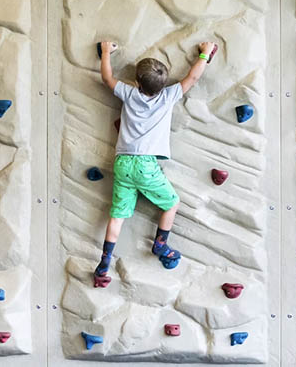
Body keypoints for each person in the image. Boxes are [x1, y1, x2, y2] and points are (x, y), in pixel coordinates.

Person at [92, 40, 216, 288]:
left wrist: (106, 52)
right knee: (171, 203)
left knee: (117, 216)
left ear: (137, 82)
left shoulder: (128, 93)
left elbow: (107, 78)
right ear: (163, 82)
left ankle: (103, 264)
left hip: (123, 163)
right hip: (145, 166)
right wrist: (204, 53)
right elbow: (191, 78)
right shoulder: (169, 96)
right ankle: (160, 244)